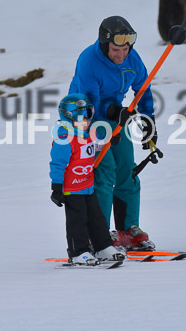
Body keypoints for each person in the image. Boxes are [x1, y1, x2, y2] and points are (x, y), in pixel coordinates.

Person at [69, 16, 158, 250]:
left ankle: (128, 229)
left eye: (126, 49)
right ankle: (99, 234)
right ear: (104, 44)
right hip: (85, 119)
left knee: (127, 169)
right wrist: (113, 112)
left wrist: (149, 122)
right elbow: (89, 102)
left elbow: (143, 89)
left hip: (116, 117)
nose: (121, 55)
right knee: (104, 170)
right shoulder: (88, 60)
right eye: (116, 49)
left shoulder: (132, 59)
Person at [49, 93, 125, 265]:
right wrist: (56, 187)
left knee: (97, 219)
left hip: (88, 187)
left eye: (89, 115)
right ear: (69, 117)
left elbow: (93, 147)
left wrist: (109, 141)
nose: (87, 120)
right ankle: (78, 252)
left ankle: (103, 247)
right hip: (72, 189)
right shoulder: (64, 139)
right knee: (78, 221)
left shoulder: (87, 133)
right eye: (82, 117)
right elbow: (57, 165)